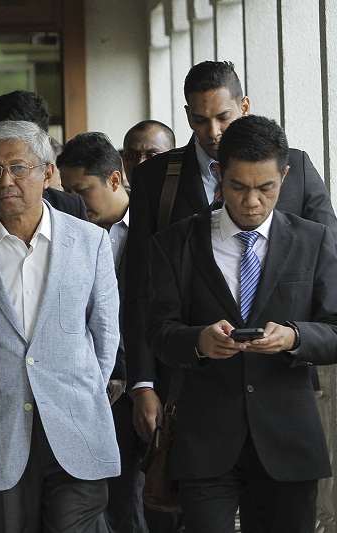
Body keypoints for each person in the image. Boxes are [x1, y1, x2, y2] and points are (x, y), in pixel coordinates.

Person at [125, 59, 337, 446]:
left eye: (222, 116)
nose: (213, 131)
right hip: (192, 386)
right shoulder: (157, 179)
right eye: (200, 120)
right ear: (187, 115)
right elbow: (139, 289)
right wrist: (142, 383)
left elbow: (329, 262)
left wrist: (296, 336)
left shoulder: (296, 169)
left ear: (244, 107)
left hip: (283, 387)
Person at [146, 114, 337, 532]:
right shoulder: (175, 243)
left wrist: (295, 336)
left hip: (288, 440)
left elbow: (335, 329)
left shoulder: (313, 240)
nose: (252, 201)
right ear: (218, 174)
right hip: (205, 441)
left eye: (266, 188)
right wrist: (199, 341)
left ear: (284, 176)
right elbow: (159, 333)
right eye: (238, 187)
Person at [0, 120, 120, 532]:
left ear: (47, 172)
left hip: (76, 425)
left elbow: (105, 335)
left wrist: (80, 388)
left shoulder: (90, 242)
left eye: (19, 168)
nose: (6, 181)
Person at [57, 132, 145, 532]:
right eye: (67, 191)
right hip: (91, 391)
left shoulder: (152, 225)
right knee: (109, 503)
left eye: (82, 190)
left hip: (147, 385)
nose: (75, 201)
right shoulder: (67, 235)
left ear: (114, 178)